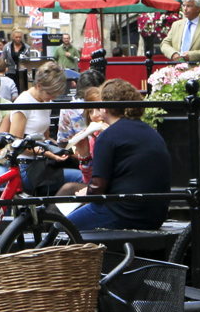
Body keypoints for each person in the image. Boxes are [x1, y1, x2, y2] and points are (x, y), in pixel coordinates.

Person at [69, 80, 172, 230]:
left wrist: (87, 193)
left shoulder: (108, 136)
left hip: (123, 213)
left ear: (105, 108)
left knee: (62, 227)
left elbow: (97, 187)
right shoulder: (150, 132)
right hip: (155, 215)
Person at [6, 61, 75, 194]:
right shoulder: (23, 103)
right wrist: (48, 153)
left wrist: (63, 148)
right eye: (50, 94)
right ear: (39, 86)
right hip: (26, 166)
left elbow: (46, 137)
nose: (52, 97)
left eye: (56, 94)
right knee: (78, 178)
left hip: (42, 162)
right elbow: (15, 144)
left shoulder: (45, 101)